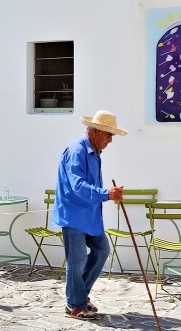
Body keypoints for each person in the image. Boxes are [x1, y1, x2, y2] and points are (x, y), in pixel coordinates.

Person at [51, 110, 127, 320]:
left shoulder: (95, 152)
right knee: (77, 261)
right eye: (108, 135)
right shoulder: (77, 150)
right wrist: (106, 194)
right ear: (94, 131)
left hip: (89, 213)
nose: (111, 141)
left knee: (102, 250)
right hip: (74, 213)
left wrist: (105, 195)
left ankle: (79, 296)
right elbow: (77, 186)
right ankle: (75, 305)